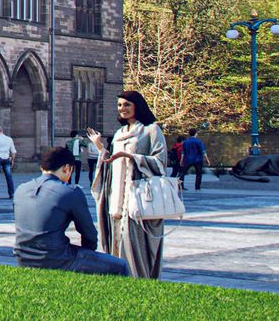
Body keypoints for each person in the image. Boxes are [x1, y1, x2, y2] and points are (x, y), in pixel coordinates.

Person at [13, 146, 129, 275]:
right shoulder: (70, 192)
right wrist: (88, 254)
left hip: (22, 258)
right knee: (121, 265)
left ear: (42, 168)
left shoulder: (20, 189)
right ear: (66, 168)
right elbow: (89, 234)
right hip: (56, 259)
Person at [93, 89, 168, 278]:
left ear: (137, 106)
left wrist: (132, 157)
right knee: (117, 239)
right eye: (119, 105)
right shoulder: (119, 133)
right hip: (116, 197)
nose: (122, 108)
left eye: (126, 104)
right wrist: (100, 148)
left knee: (135, 243)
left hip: (137, 199)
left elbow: (160, 162)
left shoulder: (151, 130)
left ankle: (139, 278)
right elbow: (112, 162)